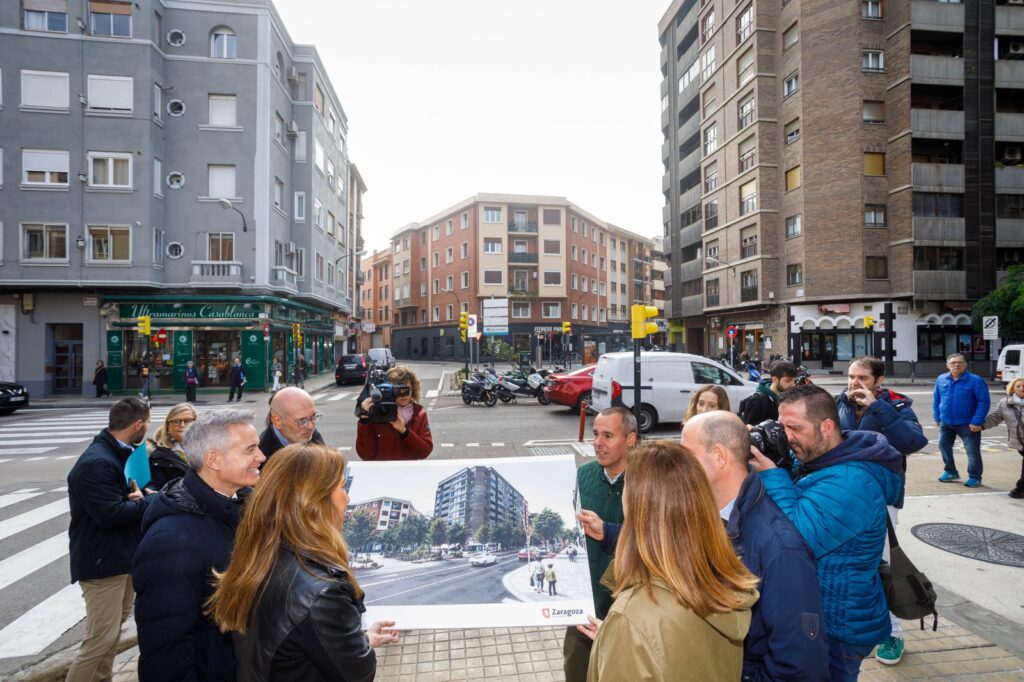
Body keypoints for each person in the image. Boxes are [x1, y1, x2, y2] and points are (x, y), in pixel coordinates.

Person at [749, 385, 904, 680]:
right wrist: (775, 456)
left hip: (837, 628)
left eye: (794, 428)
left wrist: (772, 474)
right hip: (820, 612)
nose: (786, 436)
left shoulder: (853, 481)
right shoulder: (821, 459)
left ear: (827, 427)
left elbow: (796, 540)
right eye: (782, 427)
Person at [208, 444, 400, 681]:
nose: (348, 497)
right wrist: (359, 645)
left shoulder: (259, 554)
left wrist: (360, 639)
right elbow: (359, 673)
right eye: (342, 487)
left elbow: (305, 641)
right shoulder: (323, 591)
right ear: (317, 500)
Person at [579, 441, 760, 682]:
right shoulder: (719, 579)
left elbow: (653, 637)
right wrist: (618, 642)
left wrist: (626, 636)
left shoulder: (632, 621)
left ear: (638, 509)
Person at [132, 410, 264, 682]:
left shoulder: (239, 502)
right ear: (213, 459)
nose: (261, 457)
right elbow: (166, 656)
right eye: (250, 449)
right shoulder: (172, 542)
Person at [836, 356, 928, 666]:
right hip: (840, 496)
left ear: (879, 380)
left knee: (884, 567)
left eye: (862, 377)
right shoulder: (839, 404)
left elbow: (913, 442)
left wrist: (877, 407)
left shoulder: (897, 406)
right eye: (852, 376)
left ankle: (894, 633)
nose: (855, 383)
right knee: (847, 565)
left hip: (881, 500)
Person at [65, 398, 155, 682]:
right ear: (137, 425)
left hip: (119, 557)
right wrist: (149, 502)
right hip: (101, 562)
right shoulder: (97, 463)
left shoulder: (118, 453)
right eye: (148, 423)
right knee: (99, 640)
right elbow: (110, 514)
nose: (148, 429)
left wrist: (140, 496)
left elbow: (125, 498)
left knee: (112, 633)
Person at [564, 406, 636, 682]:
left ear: (630, 439)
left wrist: (607, 531)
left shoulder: (646, 481)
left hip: (627, 605)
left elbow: (653, 539)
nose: (598, 443)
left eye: (608, 435)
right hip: (586, 603)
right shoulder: (583, 475)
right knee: (577, 670)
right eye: (595, 434)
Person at [933, 353, 991, 487]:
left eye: (959, 362)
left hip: (968, 424)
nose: (956, 365)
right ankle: (951, 472)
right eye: (953, 363)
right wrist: (937, 417)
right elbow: (936, 399)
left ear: (965, 365)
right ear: (947, 365)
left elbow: (983, 402)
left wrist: (976, 421)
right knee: (943, 446)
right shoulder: (941, 379)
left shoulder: (976, 380)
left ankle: (975, 477)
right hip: (946, 422)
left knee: (972, 452)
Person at [355, 365, 433, 460]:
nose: (403, 395)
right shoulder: (377, 411)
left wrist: (404, 432)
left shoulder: (418, 413)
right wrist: (364, 420)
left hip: (408, 468)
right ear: (390, 390)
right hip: (382, 468)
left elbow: (424, 452)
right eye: (398, 390)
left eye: (406, 390)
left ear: (413, 389)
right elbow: (365, 454)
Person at [982, 377, 1024, 499]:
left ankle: (1020, 488)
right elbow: (995, 418)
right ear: (1012, 389)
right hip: (1020, 441)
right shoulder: (1005, 403)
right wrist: (980, 425)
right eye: (1018, 386)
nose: (1022, 388)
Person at [258, 387, 326, 461]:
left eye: (313, 416)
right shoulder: (262, 457)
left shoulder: (308, 432)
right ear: (277, 421)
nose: (310, 426)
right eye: (302, 421)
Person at [147, 403, 197, 490]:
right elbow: (158, 488)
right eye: (176, 421)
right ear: (168, 426)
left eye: (188, 421)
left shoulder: (208, 447)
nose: (182, 425)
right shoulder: (157, 456)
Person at [740, 360, 800, 425]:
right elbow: (747, 428)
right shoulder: (757, 401)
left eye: (794, 381)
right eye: (788, 381)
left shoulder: (788, 397)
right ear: (775, 380)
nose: (793, 385)